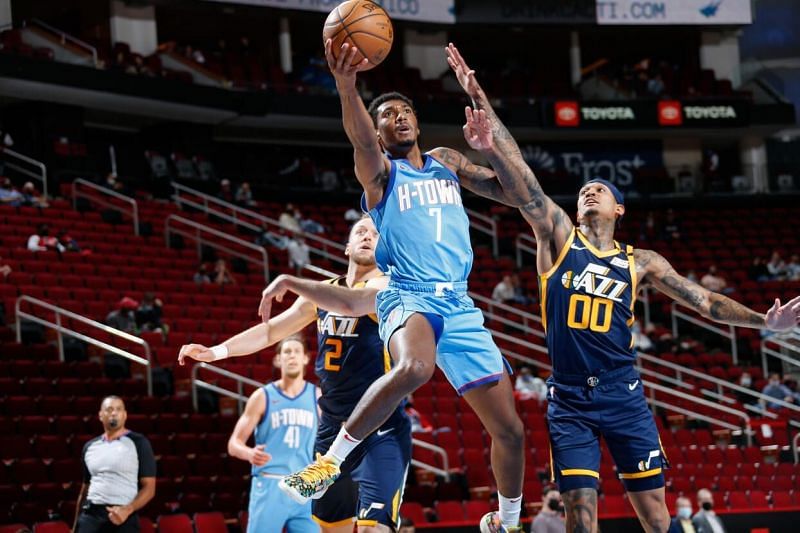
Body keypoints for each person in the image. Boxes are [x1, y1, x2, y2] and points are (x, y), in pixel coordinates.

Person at [444, 46, 800, 532]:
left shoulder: (642, 262)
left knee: (656, 517)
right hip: (569, 398)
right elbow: (523, 182)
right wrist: (482, 116)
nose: (589, 191)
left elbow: (705, 301)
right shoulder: (557, 235)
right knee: (580, 513)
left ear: (620, 210)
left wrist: (765, 322)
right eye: (584, 189)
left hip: (624, 394)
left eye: (601, 190)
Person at [268, 41, 529, 532]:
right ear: (380, 128)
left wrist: (490, 138)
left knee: (510, 431)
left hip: (459, 301)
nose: (399, 118)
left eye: (405, 110)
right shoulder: (381, 176)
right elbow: (361, 143)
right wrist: (347, 86)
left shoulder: (447, 161)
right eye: (387, 114)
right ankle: (326, 468)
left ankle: (508, 522)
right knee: (414, 366)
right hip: (407, 291)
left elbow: (515, 194)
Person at [180, 217, 413, 532]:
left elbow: (351, 302)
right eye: (360, 231)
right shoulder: (323, 294)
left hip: (379, 427)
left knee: (375, 528)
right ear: (346, 246)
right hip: (332, 428)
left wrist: (291, 280)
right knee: (334, 528)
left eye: (375, 234)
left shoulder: (386, 287)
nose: (367, 237)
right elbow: (270, 332)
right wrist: (216, 351)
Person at [226, 335, 319, 533]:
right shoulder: (262, 396)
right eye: (287, 352)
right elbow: (234, 444)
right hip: (270, 483)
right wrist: (249, 453)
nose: (292, 356)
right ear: (278, 359)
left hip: (305, 486)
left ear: (305, 358)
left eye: (296, 352)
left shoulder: (317, 397)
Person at [73, 396, 155, 532]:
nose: (114, 413)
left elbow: (149, 488)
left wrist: (127, 509)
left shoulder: (139, 442)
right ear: (100, 415)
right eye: (109, 409)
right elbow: (85, 488)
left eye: (118, 409)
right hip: (91, 514)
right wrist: (75, 526)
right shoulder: (89, 446)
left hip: (123, 514)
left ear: (125, 415)